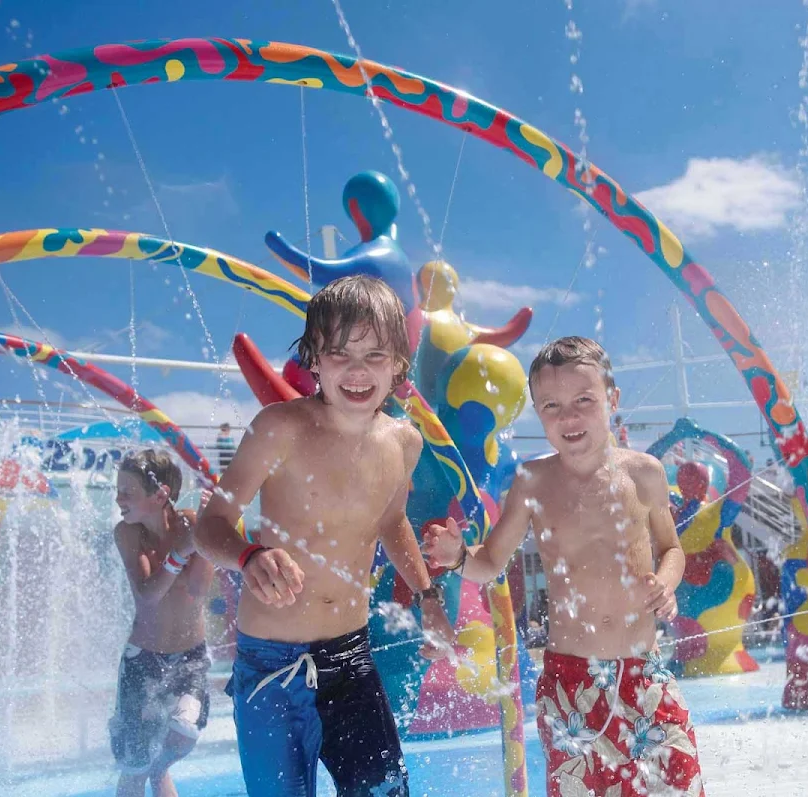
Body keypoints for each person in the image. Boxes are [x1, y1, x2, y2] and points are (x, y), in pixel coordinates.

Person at [194, 275, 453, 797]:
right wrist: (247, 555)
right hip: (270, 667)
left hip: (350, 660)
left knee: (385, 792)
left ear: (399, 363)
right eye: (340, 354)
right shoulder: (279, 428)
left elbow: (391, 522)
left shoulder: (404, 442)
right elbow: (209, 526)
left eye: (375, 355)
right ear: (314, 357)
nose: (357, 372)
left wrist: (429, 596)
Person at [423, 336, 705, 797]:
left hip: (644, 674)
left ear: (611, 400)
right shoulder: (534, 482)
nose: (569, 417)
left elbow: (672, 548)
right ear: (536, 410)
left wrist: (667, 583)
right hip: (569, 685)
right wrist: (457, 557)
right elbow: (490, 562)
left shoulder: (645, 473)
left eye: (584, 401)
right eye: (551, 406)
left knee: (679, 786)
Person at [110, 449, 214, 797]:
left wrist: (203, 539)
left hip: (191, 658)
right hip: (144, 659)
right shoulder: (128, 534)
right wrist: (179, 554)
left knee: (184, 732)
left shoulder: (190, 524)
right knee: (135, 767)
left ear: (160, 494)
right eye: (118, 489)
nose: (118, 497)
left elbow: (199, 588)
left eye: (127, 491)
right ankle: (147, 771)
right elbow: (147, 595)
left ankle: (159, 768)